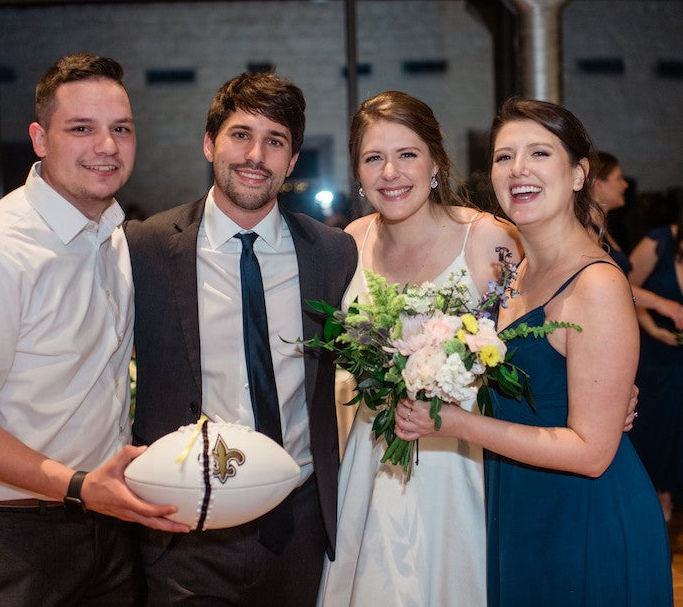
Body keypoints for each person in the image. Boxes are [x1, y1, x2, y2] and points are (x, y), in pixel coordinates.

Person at [0, 53, 188, 607]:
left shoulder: (112, 237)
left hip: (107, 524)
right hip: (11, 539)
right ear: (40, 139)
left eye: (120, 129)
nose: (106, 146)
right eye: (81, 128)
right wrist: (78, 487)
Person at [396, 97, 673, 605]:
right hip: (520, 506)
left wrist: (454, 424)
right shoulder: (513, 274)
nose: (518, 169)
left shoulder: (597, 285)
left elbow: (592, 454)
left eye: (539, 153)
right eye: (504, 157)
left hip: (586, 518)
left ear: (577, 174)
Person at [125, 71, 358, 606]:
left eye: (275, 141)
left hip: (300, 525)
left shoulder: (331, 253)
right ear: (210, 143)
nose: (256, 154)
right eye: (240, 134)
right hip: (185, 526)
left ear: (292, 160)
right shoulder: (146, 248)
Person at [316, 91, 522, 606]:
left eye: (407, 153)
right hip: (368, 458)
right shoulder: (353, 240)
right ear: (358, 172)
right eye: (372, 158)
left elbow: (539, 331)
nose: (390, 172)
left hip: (459, 463)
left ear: (435, 159)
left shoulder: (487, 238)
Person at [627, 208, 683, 521]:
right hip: (652, 351)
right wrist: (652, 328)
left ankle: (670, 492)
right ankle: (653, 495)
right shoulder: (658, 241)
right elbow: (624, 288)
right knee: (654, 423)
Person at [592, 152, 683, 327]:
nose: (625, 185)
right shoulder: (587, 231)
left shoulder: (602, 230)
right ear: (598, 185)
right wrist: (659, 303)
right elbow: (608, 288)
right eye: (619, 179)